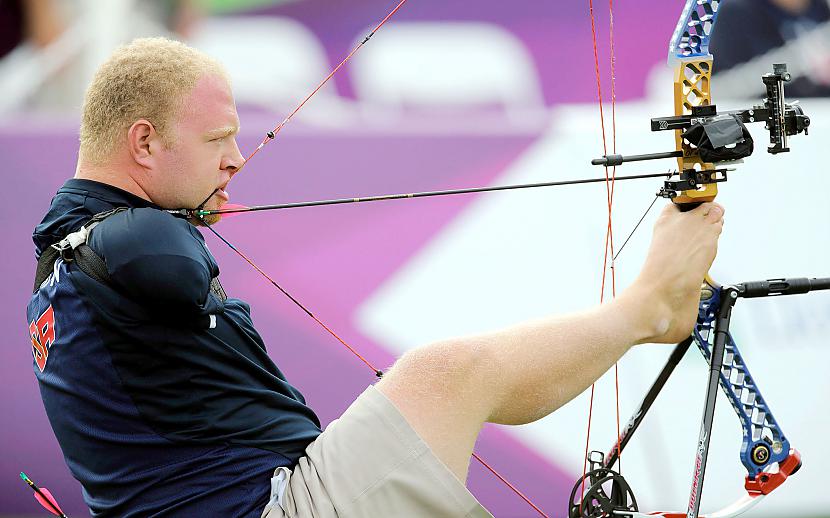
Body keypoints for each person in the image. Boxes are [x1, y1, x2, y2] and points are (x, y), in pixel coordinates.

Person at [27, 37, 725, 517]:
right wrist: (179, 222)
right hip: (268, 510)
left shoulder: (65, 261)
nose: (237, 159)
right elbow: (165, 261)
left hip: (270, 496)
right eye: (217, 141)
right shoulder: (124, 239)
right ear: (144, 142)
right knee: (442, 374)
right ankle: (651, 309)